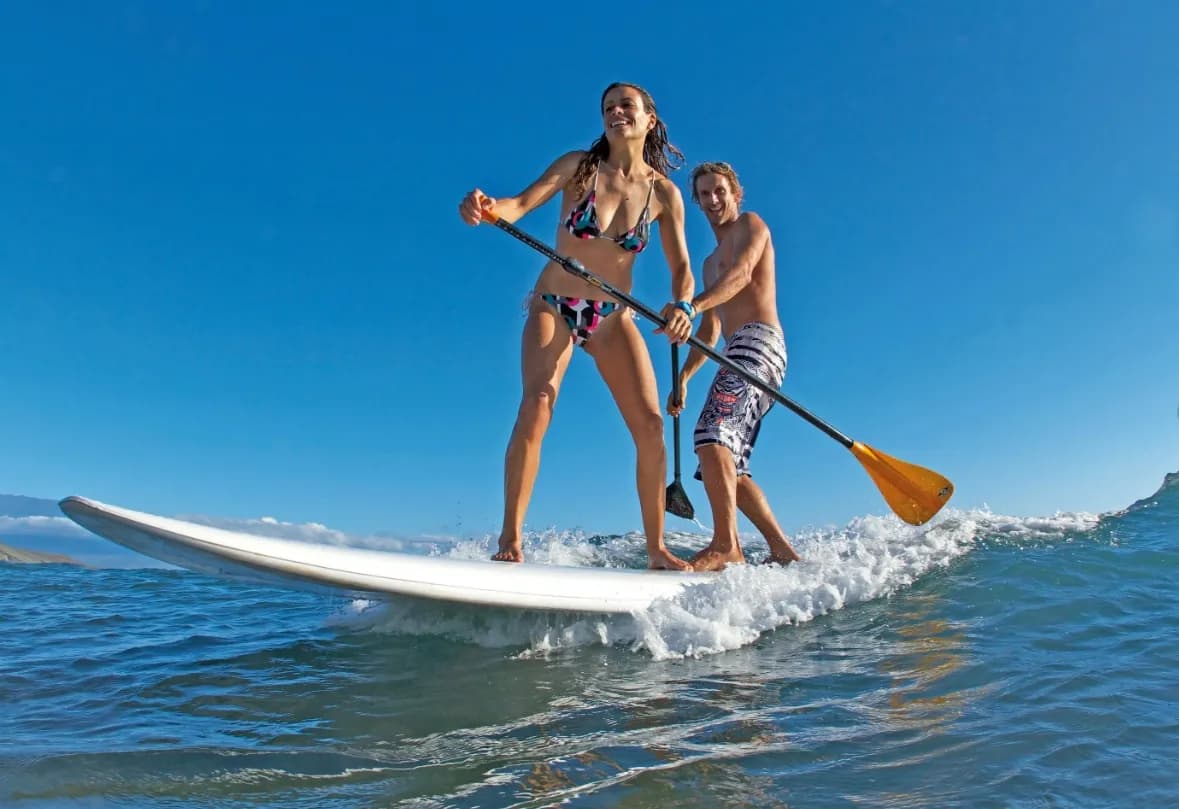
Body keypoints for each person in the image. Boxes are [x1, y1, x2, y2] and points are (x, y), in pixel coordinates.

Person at [458, 82, 698, 571]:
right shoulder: (578, 167)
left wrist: (685, 305)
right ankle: (511, 539)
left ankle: (657, 549)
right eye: (608, 107)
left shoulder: (664, 194)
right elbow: (519, 205)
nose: (615, 112)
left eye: (625, 105)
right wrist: (487, 208)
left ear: (649, 118)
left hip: (612, 317)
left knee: (652, 427)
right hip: (555, 303)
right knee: (538, 402)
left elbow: (682, 269)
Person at [666, 162, 803, 571]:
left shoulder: (751, 225)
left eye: (719, 191)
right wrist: (684, 378)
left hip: (761, 341)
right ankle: (783, 552)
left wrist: (689, 305)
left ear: (735, 193)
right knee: (726, 467)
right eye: (704, 194)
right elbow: (709, 333)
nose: (712, 200)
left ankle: (727, 545)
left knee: (712, 437)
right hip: (733, 351)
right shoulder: (708, 266)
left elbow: (742, 275)